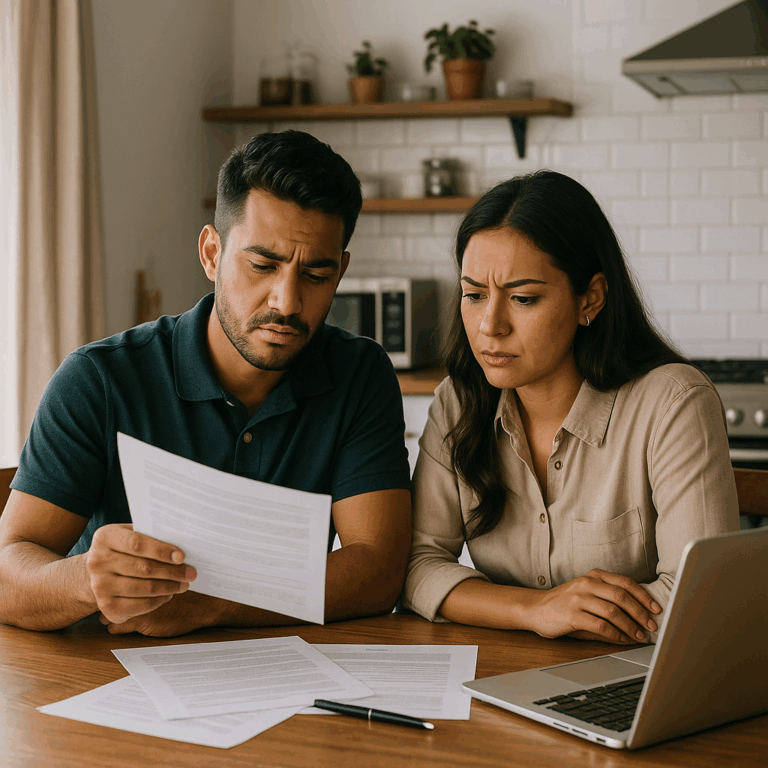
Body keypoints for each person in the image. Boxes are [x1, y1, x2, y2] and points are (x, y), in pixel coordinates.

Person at [0, 130, 412, 637]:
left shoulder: (359, 374)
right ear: (211, 252)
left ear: (342, 271)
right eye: (262, 265)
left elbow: (379, 573)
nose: (286, 301)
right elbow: (7, 574)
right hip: (110, 679)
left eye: (317, 275)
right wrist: (86, 581)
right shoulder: (99, 378)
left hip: (290, 680)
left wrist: (210, 603)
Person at [403, 170, 739, 645]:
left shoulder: (673, 404)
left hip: (637, 686)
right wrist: (534, 609)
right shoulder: (457, 404)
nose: (489, 326)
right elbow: (418, 565)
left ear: (591, 298)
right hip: (502, 677)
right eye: (474, 295)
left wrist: (547, 612)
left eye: (523, 298)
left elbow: (699, 601)